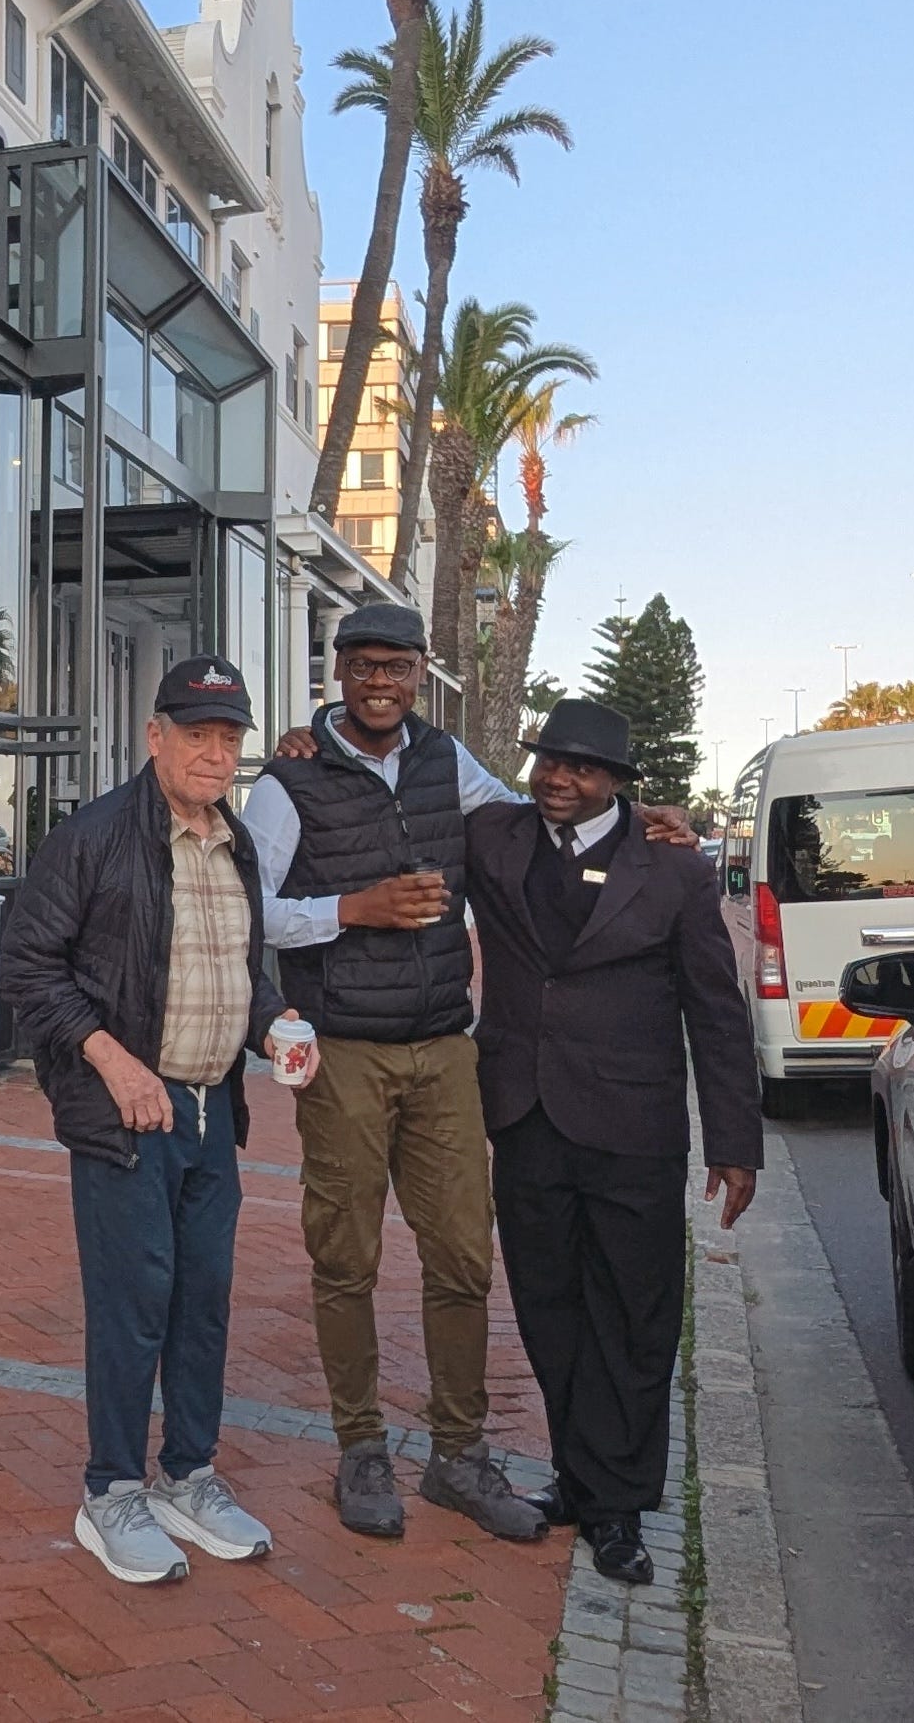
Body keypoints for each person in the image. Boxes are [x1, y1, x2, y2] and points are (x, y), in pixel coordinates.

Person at [245, 602, 690, 1542]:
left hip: (448, 1045)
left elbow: (538, 816)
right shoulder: (288, 779)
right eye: (364, 665)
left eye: (397, 667)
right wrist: (353, 907)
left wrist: (634, 816)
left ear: (419, 673)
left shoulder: (446, 760)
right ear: (337, 670)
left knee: (461, 1257)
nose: (380, 682)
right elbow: (252, 909)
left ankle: (457, 1452)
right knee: (346, 1258)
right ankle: (361, 1447)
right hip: (344, 1049)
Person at [0, 655, 320, 1586]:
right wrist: (112, 1061)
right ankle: (110, 1489)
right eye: (196, 735)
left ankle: (187, 1473)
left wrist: (274, 1024)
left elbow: (240, 970)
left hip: (214, 1109)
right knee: (132, 1304)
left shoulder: (237, 842)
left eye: (228, 738)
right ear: (154, 736)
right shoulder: (93, 837)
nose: (214, 754)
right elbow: (26, 967)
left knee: (201, 1302)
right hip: (128, 1113)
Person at [462, 697, 761, 1586]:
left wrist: (733, 1141)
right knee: (548, 1307)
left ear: (617, 783)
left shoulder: (673, 868)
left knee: (633, 1314)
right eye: (549, 761)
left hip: (633, 1127)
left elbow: (715, 1008)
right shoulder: (494, 838)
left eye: (581, 768)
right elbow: (406, 776)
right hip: (524, 1115)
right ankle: (579, 1474)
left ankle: (620, 1504)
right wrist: (312, 738)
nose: (558, 778)